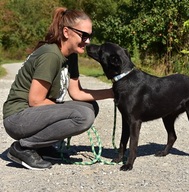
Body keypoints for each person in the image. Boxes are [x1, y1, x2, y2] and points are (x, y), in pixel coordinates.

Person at [3, 7, 114, 170]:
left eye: (90, 35)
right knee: (83, 116)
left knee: (90, 106)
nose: (88, 41)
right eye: (84, 35)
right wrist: (69, 114)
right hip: (18, 118)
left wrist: (113, 92)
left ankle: (43, 146)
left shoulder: (72, 55)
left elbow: (77, 93)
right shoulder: (51, 55)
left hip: (35, 114)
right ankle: (23, 148)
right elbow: (35, 100)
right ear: (67, 32)